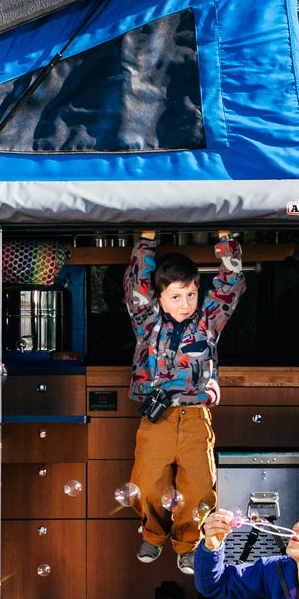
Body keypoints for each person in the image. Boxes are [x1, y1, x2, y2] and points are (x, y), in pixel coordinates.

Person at [123, 230, 244, 574]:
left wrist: (226, 241)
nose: (185, 304)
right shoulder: (146, 320)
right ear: (158, 297)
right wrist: (145, 243)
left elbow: (231, 283)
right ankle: (153, 532)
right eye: (175, 296)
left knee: (199, 486)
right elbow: (135, 282)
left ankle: (188, 542)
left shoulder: (208, 321)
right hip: (156, 418)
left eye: (191, 294)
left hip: (195, 417)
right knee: (146, 483)